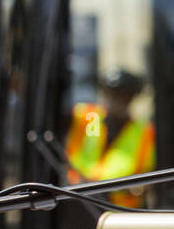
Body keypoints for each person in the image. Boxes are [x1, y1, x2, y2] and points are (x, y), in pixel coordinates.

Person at [65, 68, 155, 208]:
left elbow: (149, 177)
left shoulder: (143, 132)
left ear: (131, 98)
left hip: (118, 213)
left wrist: (134, 189)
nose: (114, 100)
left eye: (122, 96)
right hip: (77, 201)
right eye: (110, 94)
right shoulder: (88, 117)